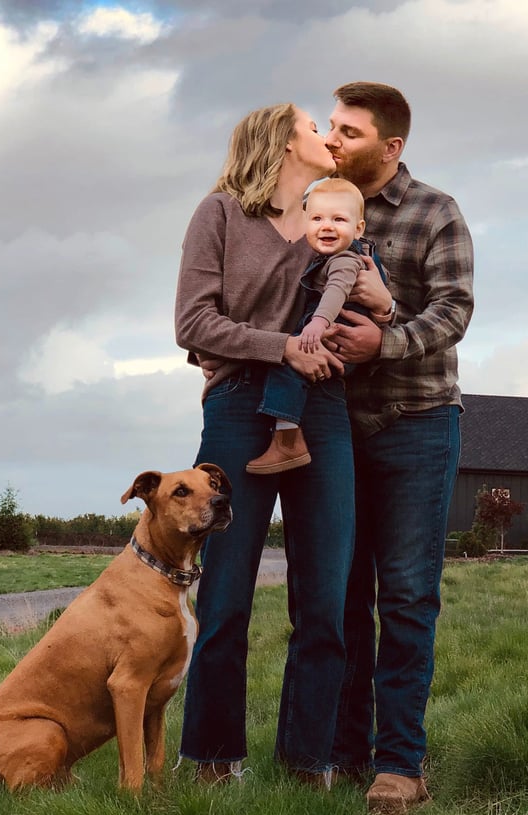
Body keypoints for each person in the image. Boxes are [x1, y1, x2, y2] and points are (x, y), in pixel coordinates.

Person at [173, 102, 354, 788]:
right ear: (282, 142)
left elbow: (354, 305)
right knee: (224, 594)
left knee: (325, 597)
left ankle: (308, 763)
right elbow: (193, 322)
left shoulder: (328, 222)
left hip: (325, 408)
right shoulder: (218, 214)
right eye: (315, 126)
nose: (327, 136)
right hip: (239, 408)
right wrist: (282, 346)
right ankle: (212, 760)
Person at [322, 82, 475, 812]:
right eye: (329, 127)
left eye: (347, 131)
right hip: (337, 432)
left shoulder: (435, 211)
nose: (332, 140)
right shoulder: (318, 208)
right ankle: (344, 752)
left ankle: (401, 762)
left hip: (417, 424)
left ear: (391, 146)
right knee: (343, 596)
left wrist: (387, 340)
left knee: (408, 598)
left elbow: (454, 311)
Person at [246, 177, 391, 476]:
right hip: (338, 338)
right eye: (317, 219)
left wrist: (317, 322)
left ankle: (287, 439)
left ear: (358, 228)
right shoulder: (334, 255)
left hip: (334, 333)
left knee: (287, 364)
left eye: (338, 219)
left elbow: (337, 290)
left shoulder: (345, 259)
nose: (326, 226)